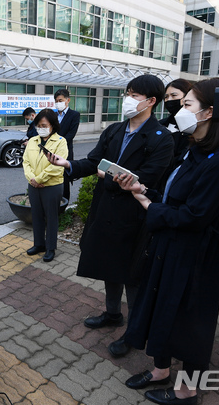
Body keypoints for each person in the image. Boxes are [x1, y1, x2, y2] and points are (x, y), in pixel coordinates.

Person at [116, 78, 219, 405]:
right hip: (169, 249)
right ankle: (160, 371)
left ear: (209, 112)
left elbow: (193, 217)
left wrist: (149, 206)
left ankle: (187, 392)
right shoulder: (193, 150)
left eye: (187, 105)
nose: (180, 111)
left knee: (189, 324)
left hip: (195, 260)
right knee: (161, 311)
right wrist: (144, 191)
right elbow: (174, 198)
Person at [47, 75, 174, 357]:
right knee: (109, 267)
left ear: (151, 101)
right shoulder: (115, 130)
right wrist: (66, 162)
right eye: (127, 92)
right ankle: (113, 314)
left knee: (133, 276)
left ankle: (134, 333)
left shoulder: (161, 138)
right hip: (104, 211)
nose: (128, 98)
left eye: (134, 94)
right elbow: (94, 162)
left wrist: (113, 177)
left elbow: (148, 179)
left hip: (133, 216)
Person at [23, 109, 68, 263]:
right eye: (38, 125)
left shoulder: (61, 141)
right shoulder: (33, 141)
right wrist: (32, 179)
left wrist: (40, 179)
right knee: (36, 215)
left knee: (51, 217)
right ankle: (39, 244)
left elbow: (57, 166)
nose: (40, 128)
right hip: (33, 185)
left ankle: (50, 248)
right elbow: (26, 162)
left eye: (44, 125)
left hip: (51, 186)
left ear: (52, 126)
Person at [54, 89, 80, 203]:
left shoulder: (74, 115)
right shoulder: (53, 115)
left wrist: (58, 143)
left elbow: (71, 134)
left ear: (67, 100)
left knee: (64, 180)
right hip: (52, 151)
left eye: (60, 100)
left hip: (65, 151)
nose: (58, 103)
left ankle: (64, 204)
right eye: (56, 101)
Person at [159, 79, 194, 161]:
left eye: (174, 95)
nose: (169, 100)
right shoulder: (161, 124)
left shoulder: (193, 125)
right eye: (166, 97)